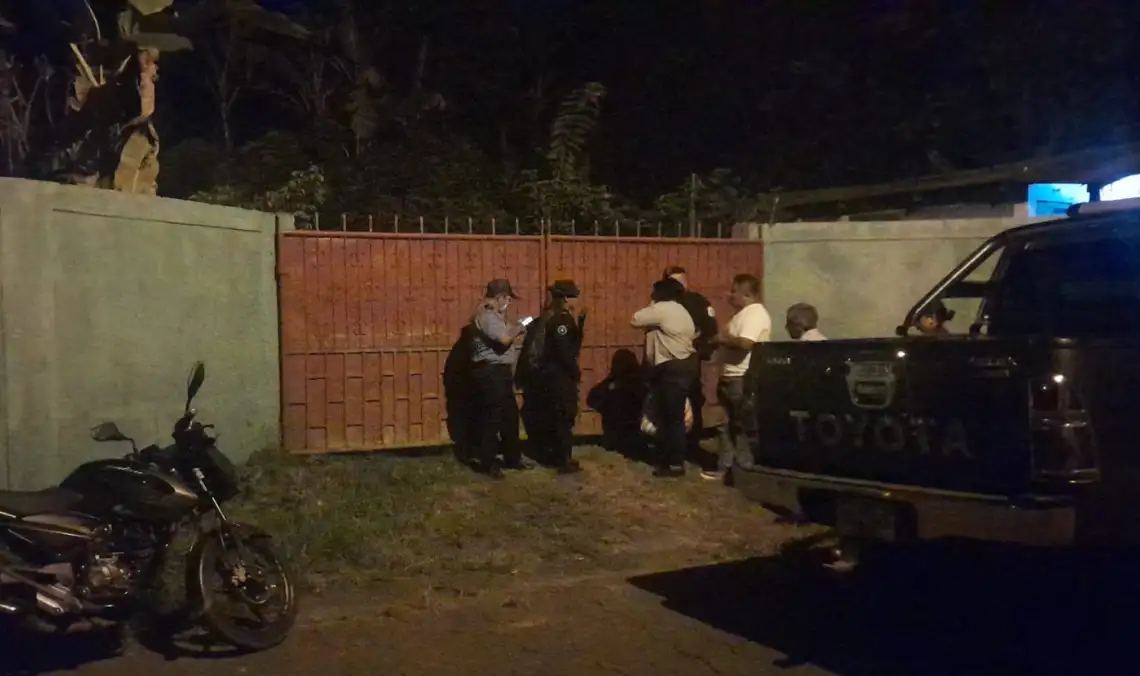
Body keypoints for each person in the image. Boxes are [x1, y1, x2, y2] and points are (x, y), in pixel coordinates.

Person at [702, 274, 771, 482]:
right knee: (724, 425)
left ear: (747, 294)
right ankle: (726, 468)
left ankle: (745, 471)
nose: (730, 295)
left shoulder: (755, 314)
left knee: (741, 426)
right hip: (730, 376)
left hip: (742, 377)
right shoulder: (741, 314)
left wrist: (722, 339)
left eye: (734, 291)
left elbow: (745, 343)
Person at [631, 277, 698, 478]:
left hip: (672, 368)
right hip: (682, 365)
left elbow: (635, 319)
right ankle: (669, 458)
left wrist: (653, 304)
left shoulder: (663, 309)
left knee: (671, 417)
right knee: (672, 415)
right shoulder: (681, 311)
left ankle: (674, 462)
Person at [519, 280, 587, 474]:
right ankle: (563, 460)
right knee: (564, 416)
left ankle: (552, 455)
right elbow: (564, 351)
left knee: (552, 416)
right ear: (566, 298)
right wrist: (574, 371)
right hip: (558, 376)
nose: (577, 301)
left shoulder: (546, 317)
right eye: (574, 297)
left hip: (544, 377)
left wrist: (580, 326)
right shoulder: (562, 320)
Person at [469, 278, 532, 479]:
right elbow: (504, 338)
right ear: (500, 297)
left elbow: (504, 332)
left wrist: (514, 324)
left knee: (510, 417)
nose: (509, 303)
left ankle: (513, 458)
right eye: (508, 299)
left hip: (500, 373)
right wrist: (520, 327)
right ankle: (487, 463)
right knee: (492, 418)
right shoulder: (487, 316)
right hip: (491, 372)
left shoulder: (494, 315)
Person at [662, 265, 718, 458]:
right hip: (669, 362)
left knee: (693, 400)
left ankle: (691, 444)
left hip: (691, 360)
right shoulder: (662, 304)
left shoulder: (698, 302)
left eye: (680, 281)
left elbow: (711, 330)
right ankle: (673, 446)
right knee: (671, 406)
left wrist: (699, 349)